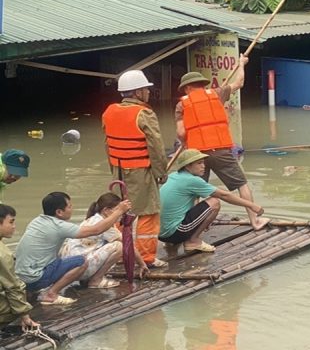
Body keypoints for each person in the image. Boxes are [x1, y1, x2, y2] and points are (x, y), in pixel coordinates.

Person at [175, 54, 269, 230]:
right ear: (203, 84)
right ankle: (254, 221)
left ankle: (192, 225)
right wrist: (241, 64)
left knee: (194, 189)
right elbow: (239, 82)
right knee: (242, 184)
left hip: (196, 154)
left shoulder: (181, 105)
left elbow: (181, 132)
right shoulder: (217, 93)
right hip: (220, 150)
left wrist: (185, 143)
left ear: (187, 88)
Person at [102, 70, 169, 268]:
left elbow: (107, 144)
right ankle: (146, 257)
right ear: (138, 92)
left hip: (118, 169)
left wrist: (113, 167)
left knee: (119, 212)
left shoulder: (109, 111)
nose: (148, 93)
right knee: (149, 212)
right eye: (146, 90)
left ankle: (119, 252)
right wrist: (161, 173)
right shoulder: (144, 113)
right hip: (141, 171)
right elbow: (156, 146)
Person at [15, 192, 131, 305]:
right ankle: (51, 294)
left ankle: (35, 289)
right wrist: (120, 211)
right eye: (69, 206)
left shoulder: (36, 221)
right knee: (81, 261)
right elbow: (96, 230)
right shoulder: (59, 226)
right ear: (59, 212)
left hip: (22, 279)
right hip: (36, 278)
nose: (72, 209)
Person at [159, 149, 264, 252]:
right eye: (199, 163)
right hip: (173, 233)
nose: (203, 166)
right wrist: (252, 205)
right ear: (187, 166)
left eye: (203, 163)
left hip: (159, 233)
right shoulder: (192, 180)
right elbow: (224, 195)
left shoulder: (173, 176)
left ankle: (170, 243)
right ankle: (193, 241)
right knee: (214, 202)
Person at [59, 193, 149, 288]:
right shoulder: (103, 224)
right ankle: (96, 280)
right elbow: (128, 245)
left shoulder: (94, 218)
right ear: (106, 210)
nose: (121, 214)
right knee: (119, 246)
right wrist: (142, 264)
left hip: (72, 267)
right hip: (79, 268)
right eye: (119, 210)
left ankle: (89, 277)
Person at [0, 204, 39, 330]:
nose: (14, 226)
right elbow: (12, 287)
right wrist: (24, 315)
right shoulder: (3, 254)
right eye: (11, 222)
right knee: (17, 305)